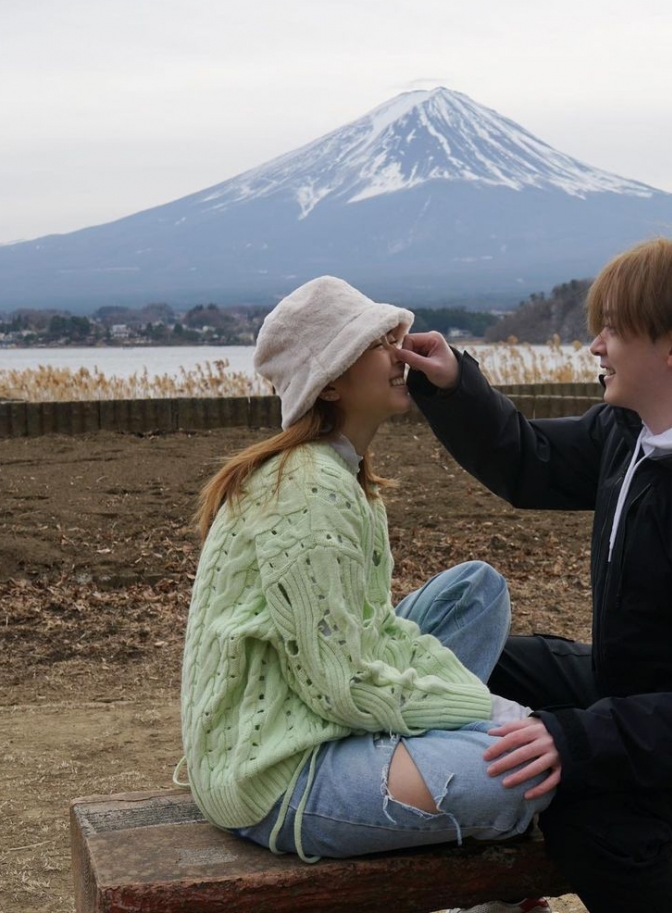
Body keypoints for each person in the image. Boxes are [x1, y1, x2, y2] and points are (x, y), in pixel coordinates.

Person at [399, 225, 672, 913]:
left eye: (612, 330)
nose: (595, 346)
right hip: (639, 687)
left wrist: (575, 739)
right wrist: (456, 386)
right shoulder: (635, 433)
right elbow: (530, 464)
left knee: (591, 821)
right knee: (457, 661)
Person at [178, 275, 555, 868]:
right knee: (521, 776)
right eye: (379, 341)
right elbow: (338, 684)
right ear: (331, 383)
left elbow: (374, 629)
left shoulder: (347, 477)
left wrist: (472, 708)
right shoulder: (308, 488)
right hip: (274, 773)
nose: (400, 350)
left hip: (322, 707)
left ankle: (412, 743)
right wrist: (490, 712)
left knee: (475, 593)